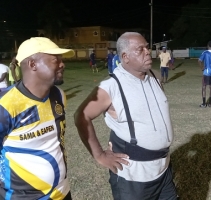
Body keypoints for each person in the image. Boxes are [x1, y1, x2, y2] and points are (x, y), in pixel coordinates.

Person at [74, 32, 177, 200]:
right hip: (133, 177)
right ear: (125, 56)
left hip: (163, 170)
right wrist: (99, 155)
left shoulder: (155, 77)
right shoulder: (111, 86)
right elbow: (81, 116)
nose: (147, 51)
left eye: (147, 46)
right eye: (140, 49)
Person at [0, 37, 74, 199]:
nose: (62, 64)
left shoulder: (59, 96)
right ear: (32, 64)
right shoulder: (6, 105)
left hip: (62, 192)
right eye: (56, 60)